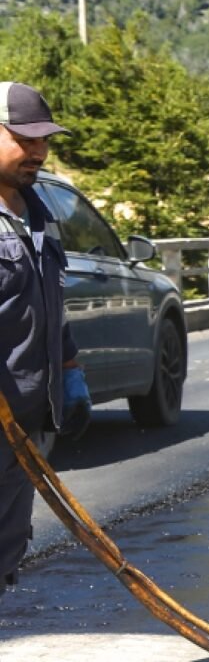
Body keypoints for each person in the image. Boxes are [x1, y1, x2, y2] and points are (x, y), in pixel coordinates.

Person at [0, 82, 90, 597]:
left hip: (23, 429)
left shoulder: (39, 216)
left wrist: (71, 372)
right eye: (24, 138)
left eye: (44, 139)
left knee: (5, 550)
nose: (38, 150)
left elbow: (52, 306)